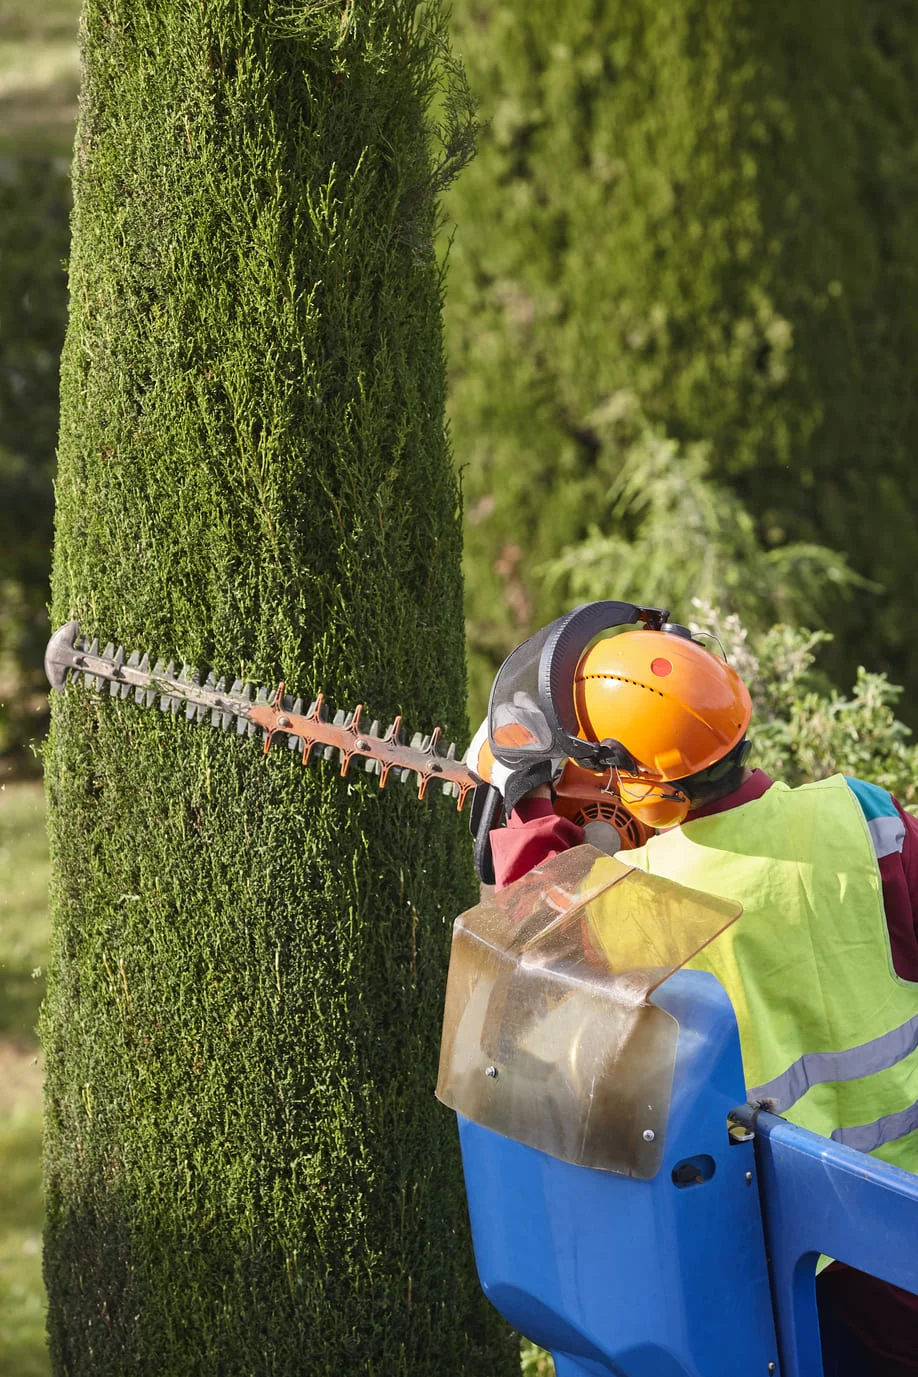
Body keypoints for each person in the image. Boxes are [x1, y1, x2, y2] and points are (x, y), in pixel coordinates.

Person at [473, 604, 918, 1377]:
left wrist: (529, 826)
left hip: (776, 1294)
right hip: (904, 1246)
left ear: (634, 785)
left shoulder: (636, 904)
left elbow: (540, 1010)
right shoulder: (863, 818)